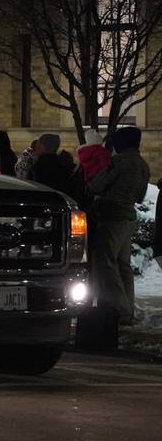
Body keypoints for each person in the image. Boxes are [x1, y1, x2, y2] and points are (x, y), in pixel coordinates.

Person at [88, 126, 150, 326]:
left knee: (105, 263)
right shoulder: (143, 165)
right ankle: (128, 309)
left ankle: (119, 308)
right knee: (124, 265)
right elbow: (140, 196)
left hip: (111, 216)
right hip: (129, 217)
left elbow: (95, 186)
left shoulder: (117, 162)